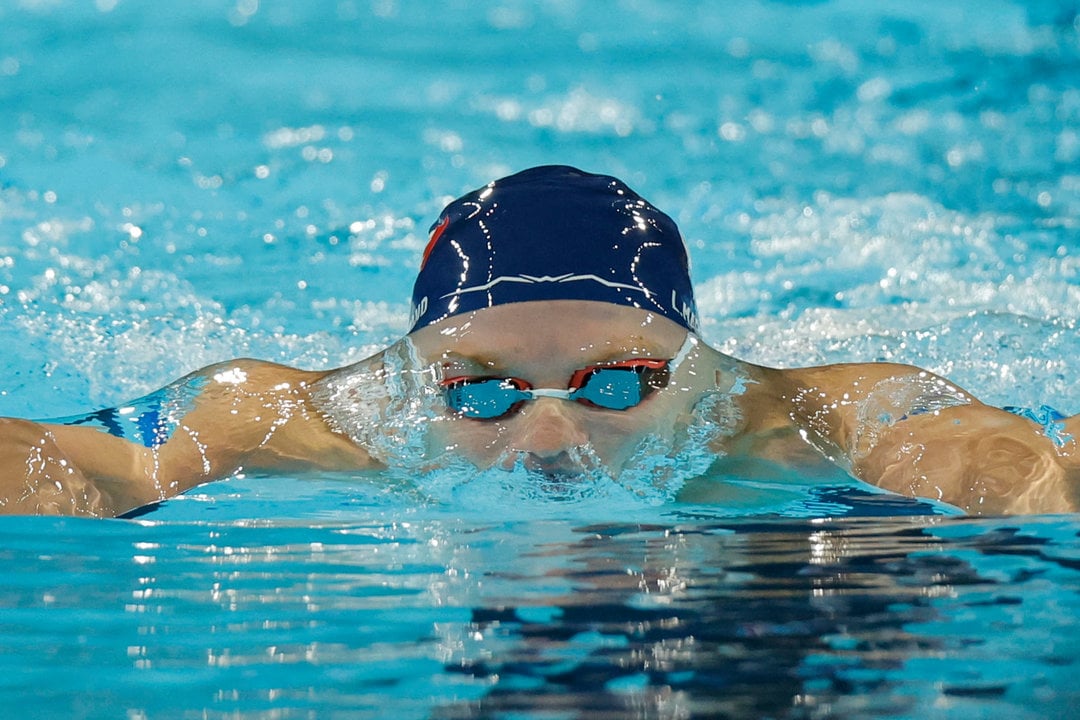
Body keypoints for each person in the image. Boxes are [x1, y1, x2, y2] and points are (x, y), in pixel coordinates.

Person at [1, 165, 1077, 517]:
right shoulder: (306, 419)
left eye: (618, 384)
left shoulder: (806, 419)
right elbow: (92, 465)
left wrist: (1017, 487)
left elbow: (1001, 463)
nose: (551, 438)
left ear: (698, 371)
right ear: (410, 377)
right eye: (480, 395)